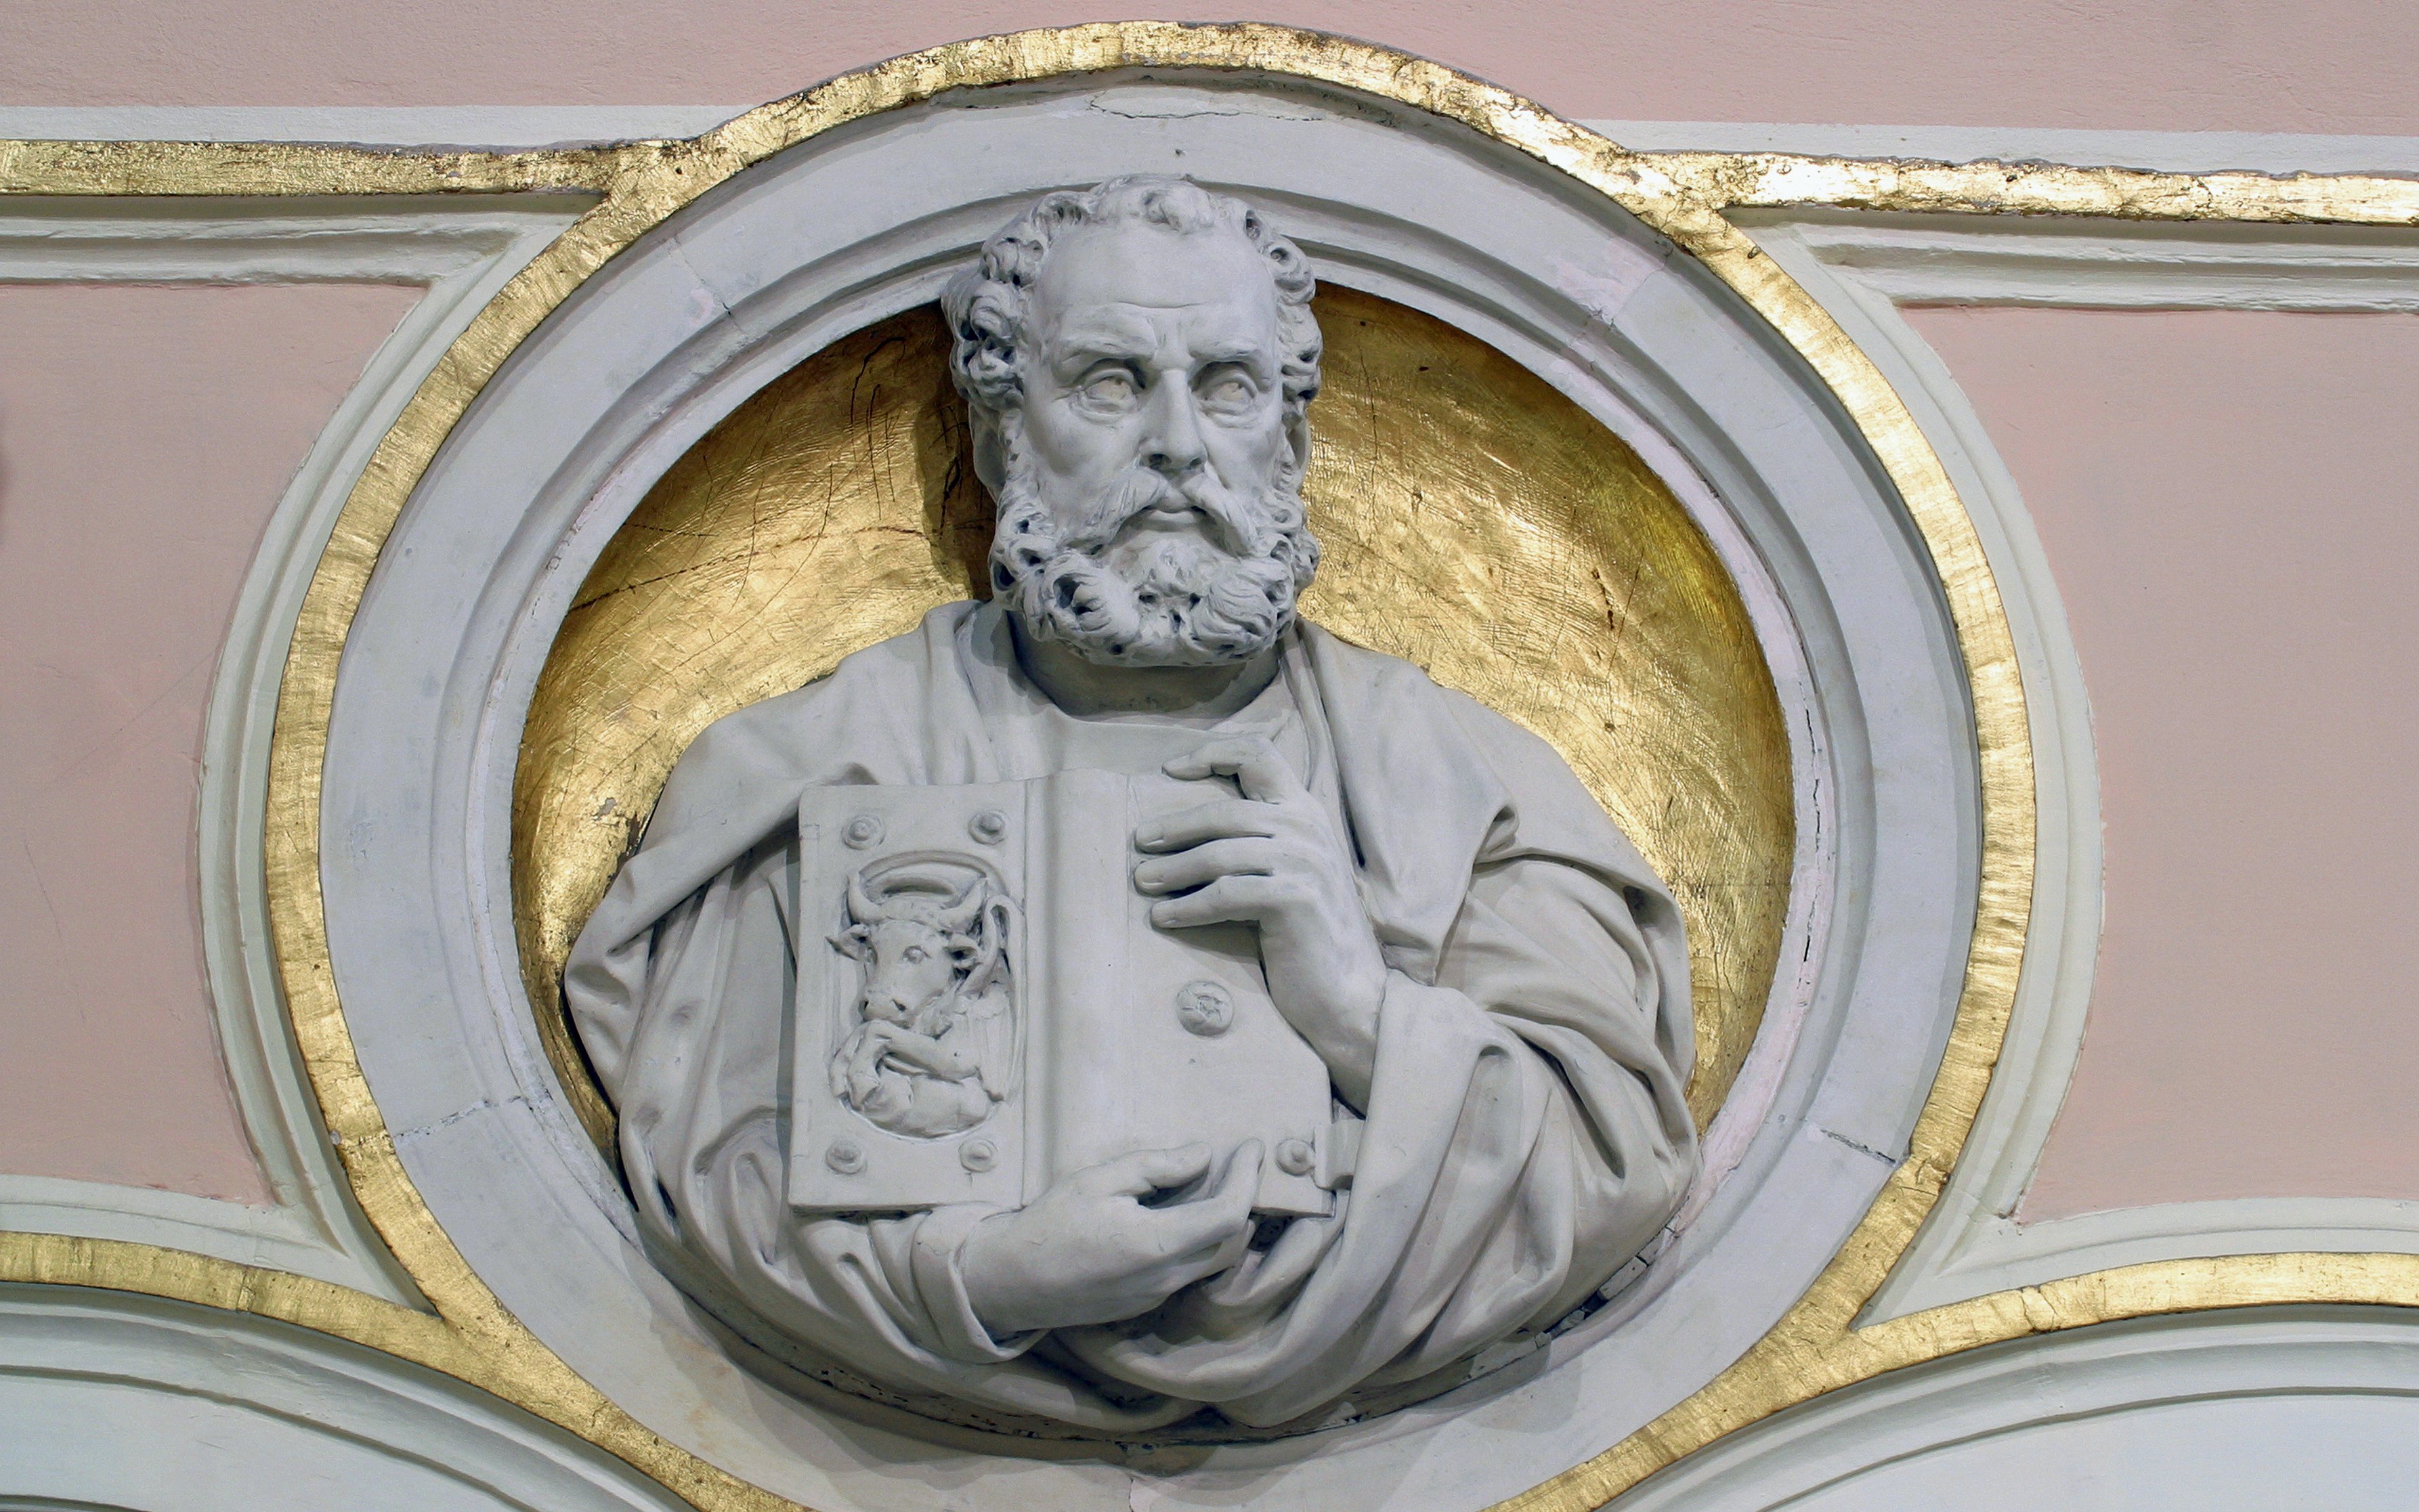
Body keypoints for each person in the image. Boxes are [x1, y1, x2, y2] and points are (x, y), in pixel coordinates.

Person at [565, 175, 1698, 1434]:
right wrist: (979, 1279)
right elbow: (723, 1158)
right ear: (1002, 437)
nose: (1177, 441)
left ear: (1292, 446)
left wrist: (1360, 1010)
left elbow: (1605, 1160)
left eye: (1228, 388)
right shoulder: (808, 775)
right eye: (1110, 383)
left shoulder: (1466, 782)